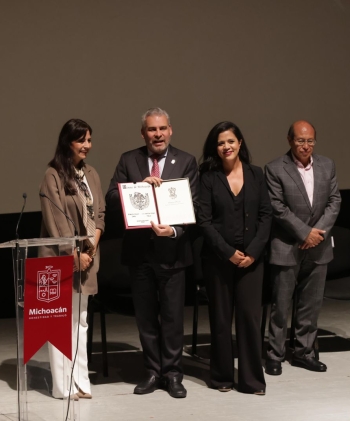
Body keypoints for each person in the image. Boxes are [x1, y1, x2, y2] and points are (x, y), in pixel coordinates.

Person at [106, 107, 198, 398]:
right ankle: (152, 371)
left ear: (170, 130)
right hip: (139, 253)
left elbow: (192, 205)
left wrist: (172, 231)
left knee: (172, 318)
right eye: (151, 129)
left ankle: (172, 374)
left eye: (162, 129)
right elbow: (110, 198)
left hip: (172, 251)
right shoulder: (128, 160)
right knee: (145, 317)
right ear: (143, 133)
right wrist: (136, 189)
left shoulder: (186, 161)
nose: (157, 134)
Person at [197, 121, 271, 394]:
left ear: (240, 143)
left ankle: (252, 380)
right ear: (214, 148)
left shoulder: (256, 174)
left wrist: (252, 252)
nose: (226, 146)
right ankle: (222, 377)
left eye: (230, 141)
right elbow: (203, 222)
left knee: (250, 319)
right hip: (218, 259)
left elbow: (266, 215)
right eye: (220, 143)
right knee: (220, 319)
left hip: (252, 260)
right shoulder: (207, 177)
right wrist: (228, 253)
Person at [264, 120, 341, 375]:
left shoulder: (327, 164)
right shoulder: (275, 168)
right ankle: (274, 354)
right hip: (287, 245)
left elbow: (334, 201)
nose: (305, 146)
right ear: (289, 140)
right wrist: (304, 233)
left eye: (310, 141)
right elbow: (277, 208)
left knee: (311, 304)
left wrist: (317, 234)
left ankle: (304, 353)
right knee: (281, 305)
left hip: (318, 245)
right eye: (300, 140)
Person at [38, 119, 105, 399]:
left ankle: (80, 382)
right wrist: (74, 254)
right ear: (68, 142)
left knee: (81, 321)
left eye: (89, 139)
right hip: (60, 259)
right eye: (81, 140)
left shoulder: (91, 173)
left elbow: (100, 214)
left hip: (88, 256)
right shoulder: (52, 174)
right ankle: (62, 386)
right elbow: (56, 220)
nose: (87, 145)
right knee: (59, 321)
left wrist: (90, 250)